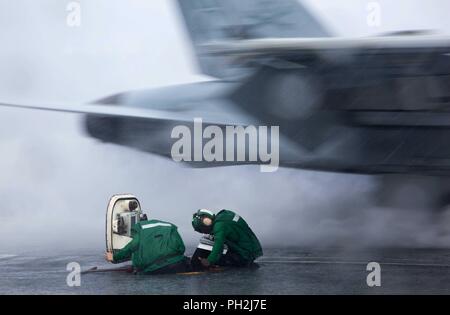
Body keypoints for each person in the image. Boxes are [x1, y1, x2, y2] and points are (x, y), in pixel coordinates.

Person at [105, 217, 189, 274]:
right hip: (178, 263)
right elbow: (181, 247)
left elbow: (133, 245)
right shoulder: (168, 225)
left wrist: (114, 257)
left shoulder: (141, 228)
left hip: (155, 269)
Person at [191, 209, 263, 270]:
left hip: (244, 255)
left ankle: (196, 265)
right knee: (210, 240)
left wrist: (209, 261)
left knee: (208, 242)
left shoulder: (219, 225)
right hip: (249, 250)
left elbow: (218, 244)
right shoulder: (224, 215)